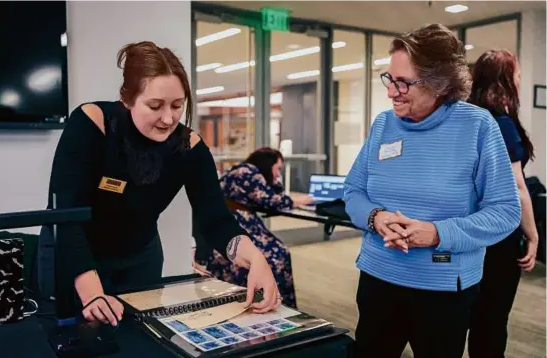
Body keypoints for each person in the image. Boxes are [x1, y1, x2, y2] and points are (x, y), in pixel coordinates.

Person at [48, 41, 281, 326]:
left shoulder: (189, 147)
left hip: (139, 258)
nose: (168, 118)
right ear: (127, 98)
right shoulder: (93, 123)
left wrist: (256, 258)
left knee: (139, 340)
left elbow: (216, 220)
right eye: (155, 106)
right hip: (75, 255)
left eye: (177, 105)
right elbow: (64, 215)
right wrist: (93, 293)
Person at [343, 24, 521, 358]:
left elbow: (505, 212)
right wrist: (375, 217)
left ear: (440, 83)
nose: (391, 92)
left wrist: (437, 233)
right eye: (389, 78)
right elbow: (353, 190)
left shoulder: (479, 127)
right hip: (379, 278)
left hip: (443, 292)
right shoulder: (383, 124)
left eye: (403, 83)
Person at [467, 49, 539, 358]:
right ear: (505, 81)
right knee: (493, 320)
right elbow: (518, 187)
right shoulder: (501, 124)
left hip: (471, 231)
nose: (521, 81)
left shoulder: (467, 119)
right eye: (518, 75)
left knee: (474, 315)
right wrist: (534, 235)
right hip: (499, 235)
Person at [195, 148, 314, 308]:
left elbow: (271, 191)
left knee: (277, 251)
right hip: (232, 224)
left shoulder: (244, 171)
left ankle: (270, 299)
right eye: (277, 168)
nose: (278, 173)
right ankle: (278, 304)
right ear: (267, 164)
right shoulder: (247, 172)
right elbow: (271, 201)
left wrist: (274, 180)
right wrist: (301, 200)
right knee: (279, 254)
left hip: (228, 222)